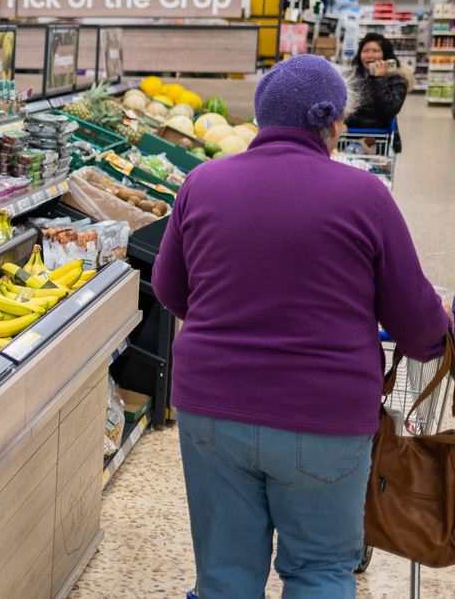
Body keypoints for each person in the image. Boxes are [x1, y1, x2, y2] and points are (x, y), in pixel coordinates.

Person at [152, 55, 451, 599]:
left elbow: (171, 290)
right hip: (326, 417)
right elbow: (417, 325)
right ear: (332, 122)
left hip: (212, 408)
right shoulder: (365, 196)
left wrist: (235, 318)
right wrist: (439, 332)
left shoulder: (201, 183)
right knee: (318, 571)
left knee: (224, 577)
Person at [346, 33, 414, 153]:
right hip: (350, 140)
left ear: (386, 55)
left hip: (381, 141)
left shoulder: (397, 80)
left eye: (375, 51)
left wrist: (379, 79)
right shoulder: (351, 78)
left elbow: (388, 111)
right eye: (365, 50)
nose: (370, 55)